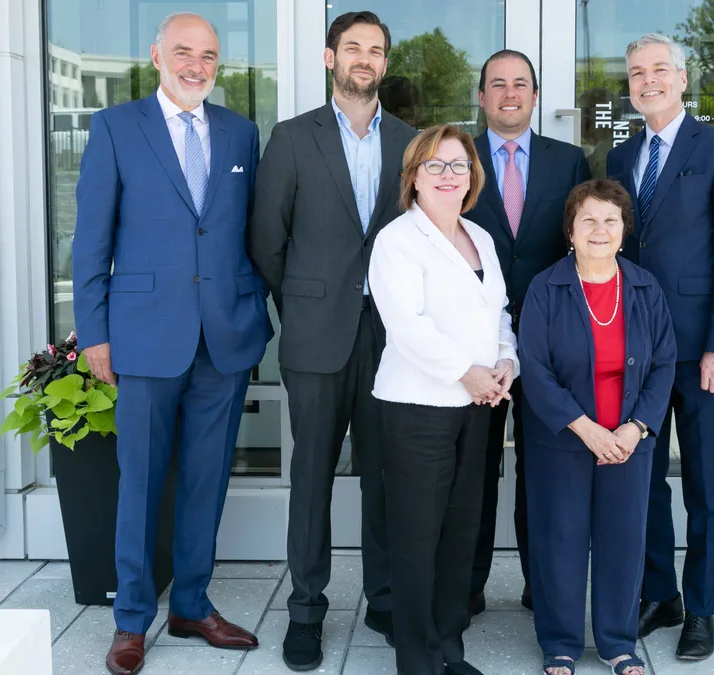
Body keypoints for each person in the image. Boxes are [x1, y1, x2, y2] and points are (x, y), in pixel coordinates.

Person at [72, 12, 272, 675]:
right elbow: (91, 241)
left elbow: (249, 232)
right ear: (156, 55)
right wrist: (95, 333)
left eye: (209, 56)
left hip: (224, 334)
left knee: (207, 480)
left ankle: (190, 602)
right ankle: (132, 617)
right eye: (183, 52)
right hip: (144, 333)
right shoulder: (116, 127)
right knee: (141, 481)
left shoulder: (241, 131)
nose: (196, 65)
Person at [248, 10, 417, 671]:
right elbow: (266, 240)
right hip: (316, 340)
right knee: (312, 475)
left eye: (376, 51)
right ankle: (307, 610)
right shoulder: (292, 139)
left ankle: (383, 599)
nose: (365, 60)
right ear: (330, 58)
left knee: (385, 476)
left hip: (393, 340)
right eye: (354, 48)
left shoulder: (409, 140)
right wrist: (305, 305)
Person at [605, 33, 714, 659]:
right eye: (637, 73)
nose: (648, 82)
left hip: (698, 350)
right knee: (644, 480)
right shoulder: (619, 159)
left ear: (683, 78)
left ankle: (702, 608)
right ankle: (660, 593)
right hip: (636, 348)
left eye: (659, 70)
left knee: (703, 483)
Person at [368, 124, 517, 675]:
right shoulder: (397, 240)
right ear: (413, 177)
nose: (449, 175)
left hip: (478, 407)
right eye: (435, 165)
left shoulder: (480, 237)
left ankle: (449, 650)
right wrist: (467, 373)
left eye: (458, 165)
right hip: (419, 408)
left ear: (473, 177)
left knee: (460, 535)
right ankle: (418, 659)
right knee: (416, 540)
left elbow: (497, 313)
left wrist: (506, 360)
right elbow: (407, 327)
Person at [519, 179, 676, 675]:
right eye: (588, 219)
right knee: (560, 538)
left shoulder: (645, 288)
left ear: (624, 231)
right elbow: (535, 368)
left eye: (611, 220)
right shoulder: (546, 287)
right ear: (570, 230)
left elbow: (664, 365)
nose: (599, 229)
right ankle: (560, 643)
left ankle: (617, 642)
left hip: (629, 443)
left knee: (623, 541)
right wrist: (585, 429)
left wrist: (636, 429)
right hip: (564, 440)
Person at [463, 49, 591, 617]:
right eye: (498, 85)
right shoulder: (456, 158)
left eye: (520, 85)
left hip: (549, 342)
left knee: (544, 470)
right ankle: (467, 586)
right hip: (475, 341)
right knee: (475, 469)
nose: (509, 93)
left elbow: (584, 246)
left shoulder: (569, 161)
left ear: (535, 96)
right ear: (483, 96)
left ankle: (545, 587)